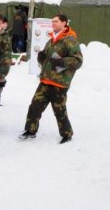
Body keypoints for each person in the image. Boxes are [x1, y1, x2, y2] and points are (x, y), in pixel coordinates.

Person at [19, 13, 82, 143]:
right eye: (52, 22)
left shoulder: (70, 40)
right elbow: (49, 60)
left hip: (59, 83)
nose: (53, 24)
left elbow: (78, 61)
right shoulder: (52, 39)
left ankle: (67, 134)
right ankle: (30, 130)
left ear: (64, 23)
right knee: (35, 106)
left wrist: (62, 62)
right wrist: (42, 58)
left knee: (59, 110)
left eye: (56, 21)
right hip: (46, 80)